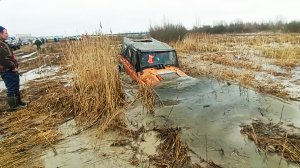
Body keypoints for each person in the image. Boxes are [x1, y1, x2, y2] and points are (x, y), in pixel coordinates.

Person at [0, 25, 27, 111]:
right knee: (11, 88)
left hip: (11, 70)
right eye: (5, 33)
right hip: (7, 71)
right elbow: (4, 60)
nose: (7, 34)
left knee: (15, 86)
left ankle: (18, 102)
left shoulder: (3, 43)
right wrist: (12, 67)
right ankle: (13, 106)